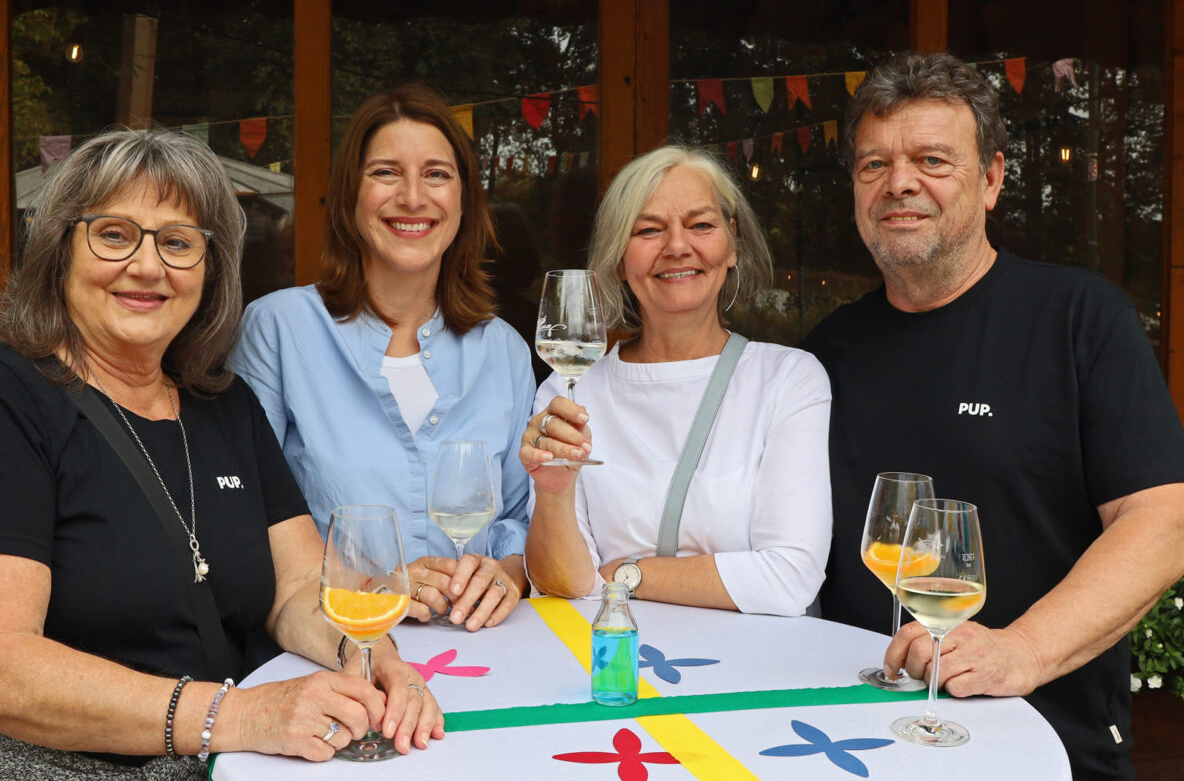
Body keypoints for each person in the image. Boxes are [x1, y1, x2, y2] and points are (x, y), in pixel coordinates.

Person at [802, 52, 1184, 779]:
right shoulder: (825, 353)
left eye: (932, 160)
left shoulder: (1078, 317)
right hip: (852, 743)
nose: (899, 183)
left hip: (1045, 744)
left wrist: (1024, 650)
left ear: (991, 180)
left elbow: (1162, 523)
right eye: (874, 164)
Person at [0, 128, 442, 778]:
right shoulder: (14, 398)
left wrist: (369, 656)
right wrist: (235, 716)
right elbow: (8, 667)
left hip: (241, 760)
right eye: (114, 235)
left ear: (210, 270)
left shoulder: (223, 403)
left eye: (178, 243)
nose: (148, 266)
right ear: (60, 249)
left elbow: (298, 588)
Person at [231, 83, 533, 632]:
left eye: (437, 174)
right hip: (338, 649)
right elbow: (243, 520)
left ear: (464, 200)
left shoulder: (505, 349)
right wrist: (376, 589)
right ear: (350, 194)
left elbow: (517, 519)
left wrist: (507, 576)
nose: (413, 197)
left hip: (484, 650)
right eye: (386, 172)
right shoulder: (279, 329)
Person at [521, 145, 832, 617]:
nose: (677, 246)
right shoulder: (567, 393)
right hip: (615, 657)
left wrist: (624, 573)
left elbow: (790, 579)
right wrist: (552, 491)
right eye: (648, 230)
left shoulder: (788, 380)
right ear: (620, 259)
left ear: (732, 244)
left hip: (751, 661)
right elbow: (563, 586)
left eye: (701, 225)